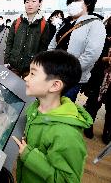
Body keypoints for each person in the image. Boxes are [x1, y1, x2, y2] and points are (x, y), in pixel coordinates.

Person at [12, 50, 93, 183]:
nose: (26, 78)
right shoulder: (35, 108)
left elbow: (67, 180)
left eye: (32, 73)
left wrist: (29, 155)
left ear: (55, 85)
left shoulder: (67, 134)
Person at [48, 0, 106, 102]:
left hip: (71, 79)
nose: (71, 4)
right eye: (70, 1)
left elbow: (91, 54)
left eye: (76, 0)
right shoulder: (66, 23)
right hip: (53, 74)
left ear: (88, 3)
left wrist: (67, 70)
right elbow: (52, 45)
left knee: (61, 111)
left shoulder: (95, 24)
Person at [4, 0, 49, 78]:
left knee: (27, 91)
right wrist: (6, 61)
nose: (30, 4)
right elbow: (9, 43)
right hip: (13, 66)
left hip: (30, 69)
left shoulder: (44, 24)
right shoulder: (17, 22)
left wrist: (38, 66)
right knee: (11, 89)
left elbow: (43, 48)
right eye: (27, 1)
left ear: (40, 3)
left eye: (33, 1)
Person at [82, 16, 111, 142]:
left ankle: (107, 133)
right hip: (100, 76)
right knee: (94, 104)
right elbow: (94, 56)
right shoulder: (103, 36)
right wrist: (106, 59)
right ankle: (88, 126)